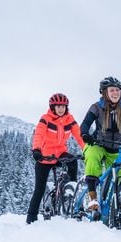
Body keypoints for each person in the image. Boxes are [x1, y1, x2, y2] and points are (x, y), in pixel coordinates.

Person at [79, 76, 121, 214]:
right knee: (92, 159)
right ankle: (93, 198)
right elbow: (85, 124)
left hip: (116, 148)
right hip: (97, 144)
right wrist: (85, 134)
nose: (115, 93)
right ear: (104, 92)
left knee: (120, 179)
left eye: (117, 90)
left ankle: (120, 213)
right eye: (112, 90)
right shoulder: (96, 107)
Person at [26, 93, 85, 224]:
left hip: (60, 154)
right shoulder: (46, 119)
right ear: (52, 107)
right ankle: (31, 218)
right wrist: (36, 150)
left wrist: (86, 149)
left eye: (63, 106)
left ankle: (71, 190)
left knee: (72, 161)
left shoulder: (70, 119)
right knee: (39, 189)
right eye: (58, 106)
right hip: (45, 157)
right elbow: (39, 134)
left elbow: (79, 135)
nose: (60, 109)